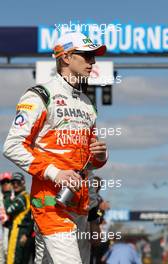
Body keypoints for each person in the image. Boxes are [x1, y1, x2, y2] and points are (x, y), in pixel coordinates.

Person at [3, 31, 108, 264]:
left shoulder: (86, 102)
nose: (93, 62)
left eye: (94, 57)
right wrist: (56, 173)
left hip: (79, 207)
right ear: (67, 57)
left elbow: (88, 162)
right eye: (87, 56)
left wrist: (101, 156)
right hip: (51, 205)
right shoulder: (40, 95)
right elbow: (11, 146)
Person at [6, 172, 34, 264]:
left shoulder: (22, 198)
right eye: (13, 183)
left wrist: (7, 193)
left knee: (13, 260)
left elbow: (8, 210)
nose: (15, 185)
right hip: (21, 232)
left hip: (19, 232)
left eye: (18, 182)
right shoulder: (25, 196)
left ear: (23, 183)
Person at [0, 172, 14, 261]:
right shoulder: (0, 197)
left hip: (13, 229)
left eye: (7, 182)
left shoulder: (17, 196)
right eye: (3, 182)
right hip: (2, 230)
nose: (5, 184)